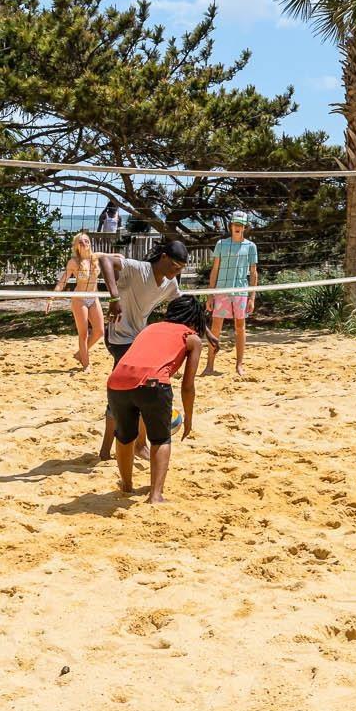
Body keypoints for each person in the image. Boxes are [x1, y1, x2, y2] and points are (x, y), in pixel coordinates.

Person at [105, 295, 218, 504]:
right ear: (196, 319)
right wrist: (189, 417)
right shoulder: (191, 338)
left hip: (116, 382)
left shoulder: (150, 328)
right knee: (160, 439)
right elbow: (187, 386)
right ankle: (155, 496)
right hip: (153, 385)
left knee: (124, 437)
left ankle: (127, 487)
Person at [95, 239, 189, 459]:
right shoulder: (138, 268)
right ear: (163, 257)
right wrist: (114, 297)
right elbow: (105, 259)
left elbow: (186, 308)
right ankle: (110, 449)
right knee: (126, 392)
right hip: (119, 338)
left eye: (180, 269)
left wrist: (207, 332)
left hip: (138, 339)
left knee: (140, 390)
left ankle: (131, 446)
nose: (176, 272)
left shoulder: (169, 284)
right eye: (174, 266)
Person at [203, 211, 258, 377]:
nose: (238, 227)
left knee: (240, 328)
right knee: (215, 328)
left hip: (241, 291)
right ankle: (209, 365)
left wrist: (252, 297)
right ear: (231, 226)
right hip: (222, 290)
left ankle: (239, 365)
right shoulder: (221, 244)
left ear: (245, 227)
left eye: (241, 225)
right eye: (235, 224)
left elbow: (254, 273)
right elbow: (215, 270)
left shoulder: (250, 246)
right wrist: (210, 294)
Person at [52, 232, 106, 370]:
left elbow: (117, 257)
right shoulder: (74, 262)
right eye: (81, 242)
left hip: (93, 297)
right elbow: (63, 281)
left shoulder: (96, 257)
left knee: (100, 331)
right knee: (83, 333)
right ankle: (86, 365)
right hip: (79, 298)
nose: (84, 244)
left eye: (86, 241)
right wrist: (51, 297)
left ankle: (80, 354)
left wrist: (122, 259)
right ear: (76, 246)